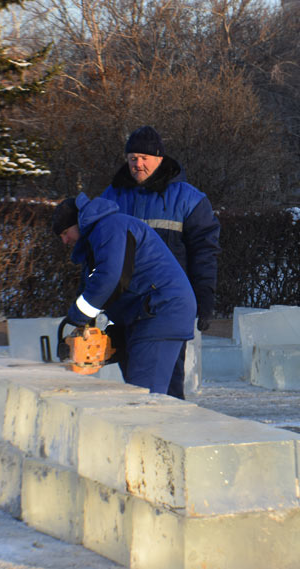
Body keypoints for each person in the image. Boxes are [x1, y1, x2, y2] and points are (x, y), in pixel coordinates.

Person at [99, 126, 220, 399]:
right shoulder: (111, 197)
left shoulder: (190, 200)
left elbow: (204, 253)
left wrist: (205, 298)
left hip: (166, 309)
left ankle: (170, 437)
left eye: (144, 158)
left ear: (159, 159)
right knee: (135, 385)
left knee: (166, 385)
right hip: (125, 307)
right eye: (132, 158)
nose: (137, 164)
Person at [51, 193, 196, 395]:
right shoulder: (97, 240)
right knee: (162, 398)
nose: (65, 241)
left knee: (144, 397)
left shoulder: (110, 226)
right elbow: (93, 287)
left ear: (78, 222)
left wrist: (78, 316)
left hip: (160, 311)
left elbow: (111, 278)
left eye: (65, 233)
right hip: (146, 313)